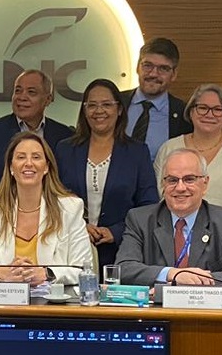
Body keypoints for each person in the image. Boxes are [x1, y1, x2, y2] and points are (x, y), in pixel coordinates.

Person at [114, 148, 222, 289]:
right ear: (163, 184)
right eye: (172, 180)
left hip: (206, 304)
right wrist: (172, 274)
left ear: (205, 183)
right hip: (158, 304)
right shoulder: (140, 219)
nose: (180, 188)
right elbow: (124, 269)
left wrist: (196, 281)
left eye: (189, 179)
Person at [54, 79, 158, 268]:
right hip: (71, 249)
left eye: (106, 104)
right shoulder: (65, 150)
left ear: (119, 109)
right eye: (92, 105)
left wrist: (116, 232)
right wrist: (79, 226)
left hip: (122, 251)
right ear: (84, 110)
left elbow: (149, 206)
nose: (99, 111)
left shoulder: (137, 152)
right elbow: (53, 197)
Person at [0, 132, 92, 286]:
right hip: (5, 298)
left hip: (52, 299)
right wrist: (3, 274)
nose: (29, 163)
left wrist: (45, 274)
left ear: (46, 167)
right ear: (11, 167)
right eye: (21, 157)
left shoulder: (70, 208)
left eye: (36, 157)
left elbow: (84, 269)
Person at [155, 83, 222, 226]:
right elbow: (158, 199)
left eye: (217, 109)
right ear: (191, 112)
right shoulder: (169, 148)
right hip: (174, 234)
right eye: (202, 108)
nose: (209, 114)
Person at [0, 69, 75, 201]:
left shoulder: (64, 135)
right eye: (18, 91)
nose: (22, 97)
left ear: (48, 99)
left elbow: (67, 186)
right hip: (4, 210)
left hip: (54, 210)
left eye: (31, 92)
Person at [119, 37, 193, 161]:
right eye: (147, 66)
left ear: (174, 74)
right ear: (137, 67)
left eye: (163, 68)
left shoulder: (184, 114)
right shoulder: (115, 102)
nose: (153, 74)